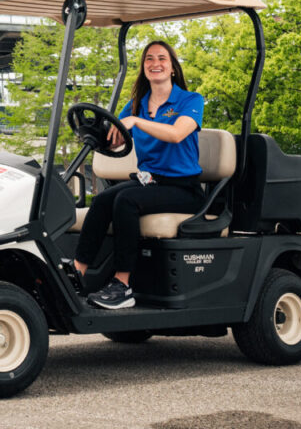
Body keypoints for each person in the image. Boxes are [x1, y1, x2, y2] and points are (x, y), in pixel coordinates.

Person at [73, 40, 205, 310]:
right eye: (149, 59)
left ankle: (123, 285)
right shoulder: (137, 104)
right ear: (144, 67)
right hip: (151, 184)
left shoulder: (190, 100)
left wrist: (135, 122)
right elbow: (116, 139)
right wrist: (98, 136)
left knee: (127, 201)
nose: (155, 63)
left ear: (172, 68)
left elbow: (177, 134)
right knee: (101, 201)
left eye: (162, 59)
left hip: (184, 189)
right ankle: (76, 275)